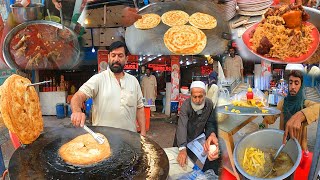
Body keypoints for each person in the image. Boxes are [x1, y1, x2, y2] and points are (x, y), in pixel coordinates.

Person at [71, 41, 146, 136]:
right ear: (108, 57)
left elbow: (140, 108)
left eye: (120, 56)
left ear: (126, 59)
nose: (116, 59)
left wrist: (143, 133)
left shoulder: (133, 81)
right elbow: (78, 96)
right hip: (103, 139)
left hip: (130, 138)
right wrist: (77, 111)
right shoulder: (98, 79)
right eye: (113, 55)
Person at [263, 70, 319, 150]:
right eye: (290, 83)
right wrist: (263, 112)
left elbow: (318, 108)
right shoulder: (283, 103)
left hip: (299, 145)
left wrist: (302, 115)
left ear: (301, 86)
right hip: (284, 143)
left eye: (296, 83)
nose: (293, 86)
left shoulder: (304, 103)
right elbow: (270, 118)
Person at [173, 81, 220, 175]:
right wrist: (182, 148)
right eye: (194, 97)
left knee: (193, 164)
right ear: (191, 95)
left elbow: (209, 123)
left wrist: (210, 135)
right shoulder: (186, 106)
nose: (197, 100)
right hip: (183, 138)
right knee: (178, 165)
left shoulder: (209, 104)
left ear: (205, 95)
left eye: (200, 96)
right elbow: (182, 126)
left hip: (197, 139)